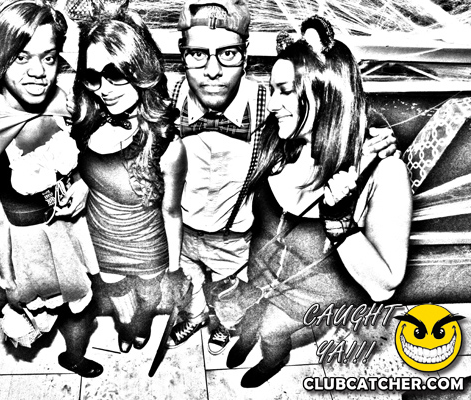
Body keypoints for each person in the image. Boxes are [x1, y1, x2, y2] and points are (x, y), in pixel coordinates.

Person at [165, 0, 398, 355]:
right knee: (194, 284)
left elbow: (329, 100)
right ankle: (197, 317)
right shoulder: (168, 96)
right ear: (182, 55)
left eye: (227, 53)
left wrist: (372, 132)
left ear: (245, 55)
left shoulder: (267, 104)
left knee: (233, 299)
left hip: (235, 239)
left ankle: (228, 327)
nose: (212, 70)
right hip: (182, 230)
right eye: (197, 54)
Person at [225, 17, 412, 388]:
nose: (272, 104)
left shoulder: (382, 171)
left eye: (284, 91)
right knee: (250, 317)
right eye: (272, 90)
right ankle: (247, 336)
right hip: (258, 273)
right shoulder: (280, 139)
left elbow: (385, 285)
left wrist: (340, 220)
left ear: (327, 93)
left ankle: (272, 359)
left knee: (272, 331)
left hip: (304, 296)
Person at [0, 0, 102, 378]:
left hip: (70, 231)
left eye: (48, 58)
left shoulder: (58, 102)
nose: (38, 72)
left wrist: (80, 183)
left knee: (83, 304)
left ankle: (74, 357)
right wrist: (9, 281)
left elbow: (75, 162)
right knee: (43, 310)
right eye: (21, 58)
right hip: (26, 245)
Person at [70, 8, 187, 353]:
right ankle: (127, 325)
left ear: (140, 70)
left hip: (149, 248)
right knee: (119, 299)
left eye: (115, 74)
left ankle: (143, 322)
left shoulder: (167, 145)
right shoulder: (86, 122)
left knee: (149, 297)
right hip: (103, 243)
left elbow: (172, 212)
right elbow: (90, 175)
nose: (104, 89)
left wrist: (175, 271)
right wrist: (80, 183)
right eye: (93, 77)